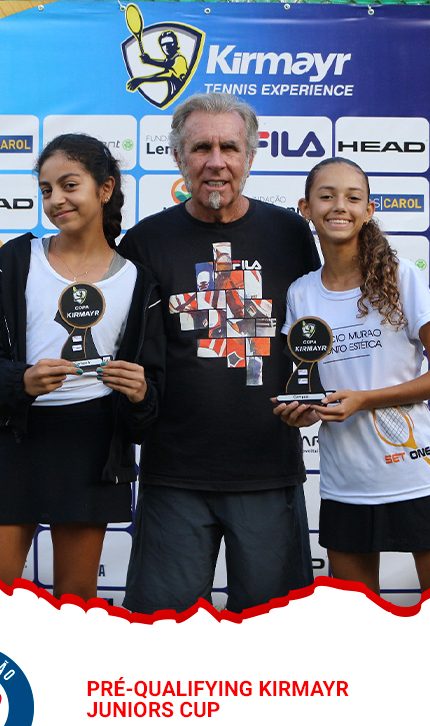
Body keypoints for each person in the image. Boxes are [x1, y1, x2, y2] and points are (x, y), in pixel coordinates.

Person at [119, 92, 320, 614]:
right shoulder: (145, 242)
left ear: (249, 156)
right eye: (200, 148)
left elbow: (313, 335)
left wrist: (313, 397)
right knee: (163, 635)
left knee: (274, 637)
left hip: (268, 469)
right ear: (178, 157)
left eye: (229, 147)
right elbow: (136, 357)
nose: (215, 162)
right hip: (174, 475)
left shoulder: (291, 234)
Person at [274, 157, 430, 595]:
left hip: (415, 475)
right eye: (326, 196)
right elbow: (306, 386)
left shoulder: (401, 277)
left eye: (353, 197)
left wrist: (364, 399)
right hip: (346, 486)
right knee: (356, 625)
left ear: (368, 210)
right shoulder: (301, 292)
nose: (339, 206)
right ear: (306, 208)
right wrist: (303, 412)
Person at [0, 133, 164, 601]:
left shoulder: (139, 282)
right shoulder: (14, 261)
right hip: (14, 438)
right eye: (46, 189)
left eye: (69, 185)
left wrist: (140, 393)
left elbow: (151, 398)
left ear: (105, 188)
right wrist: (20, 381)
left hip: (91, 445)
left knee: (76, 597)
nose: (56, 199)